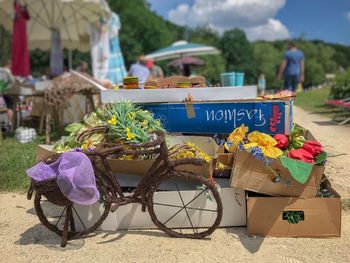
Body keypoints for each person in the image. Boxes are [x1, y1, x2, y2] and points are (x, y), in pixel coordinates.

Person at [0, 60, 15, 129]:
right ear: (8, 64)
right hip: (8, 91)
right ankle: (10, 123)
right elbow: (13, 81)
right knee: (10, 107)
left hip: (1, 90)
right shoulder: (8, 72)